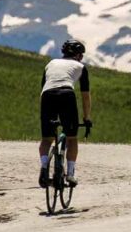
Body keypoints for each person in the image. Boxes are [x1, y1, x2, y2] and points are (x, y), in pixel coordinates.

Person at [39, 40, 92, 187]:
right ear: (79, 56)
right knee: (71, 138)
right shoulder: (80, 67)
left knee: (46, 138)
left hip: (47, 97)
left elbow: (43, 90)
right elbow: (85, 96)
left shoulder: (50, 64)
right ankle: (70, 174)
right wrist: (87, 118)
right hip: (66, 95)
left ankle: (44, 168)